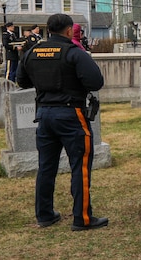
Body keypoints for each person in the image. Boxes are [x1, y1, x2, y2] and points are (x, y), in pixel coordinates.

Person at [16, 13, 107, 231]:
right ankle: (82, 218)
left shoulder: (32, 52)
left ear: (48, 30)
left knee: (46, 166)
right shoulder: (74, 53)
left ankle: (45, 215)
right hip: (71, 114)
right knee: (80, 166)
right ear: (69, 31)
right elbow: (95, 82)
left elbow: (21, 81)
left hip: (45, 115)